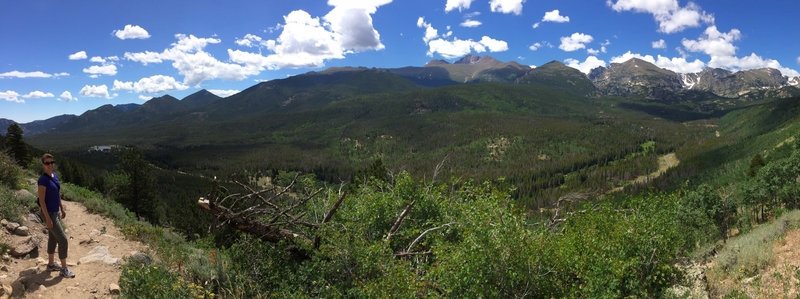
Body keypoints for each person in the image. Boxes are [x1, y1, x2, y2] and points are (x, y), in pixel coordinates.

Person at [37, 153, 76, 278]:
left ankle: (50, 264)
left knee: (53, 238)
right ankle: (64, 269)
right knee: (63, 240)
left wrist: (61, 208)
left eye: (52, 162)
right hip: (49, 213)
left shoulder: (55, 176)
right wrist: (47, 218)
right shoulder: (42, 180)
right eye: (47, 163)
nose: (50, 165)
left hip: (56, 212)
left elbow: (57, 194)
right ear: (43, 165)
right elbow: (42, 201)